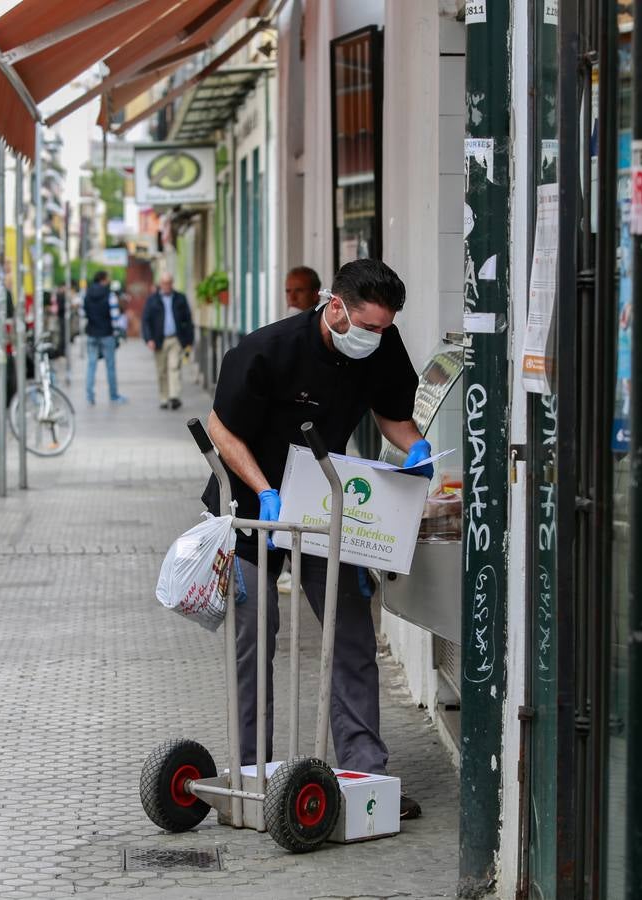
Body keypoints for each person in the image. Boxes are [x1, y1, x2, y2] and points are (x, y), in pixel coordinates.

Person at [203, 258, 432, 821]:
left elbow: (392, 416)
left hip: (326, 502)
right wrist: (263, 490)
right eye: (367, 327)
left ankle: (365, 779)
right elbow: (220, 428)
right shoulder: (265, 351)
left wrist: (417, 449)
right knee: (257, 636)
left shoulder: (382, 345)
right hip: (254, 509)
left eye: (384, 328)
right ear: (335, 308)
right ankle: (254, 778)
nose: (375, 338)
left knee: (351, 634)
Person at [142, 272, 195, 410]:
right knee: (161, 371)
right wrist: (149, 339)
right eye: (164, 283)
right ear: (160, 284)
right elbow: (146, 321)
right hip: (159, 340)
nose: (167, 286)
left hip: (176, 339)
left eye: (169, 283)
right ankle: (164, 398)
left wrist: (189, 340)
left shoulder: (180, 298)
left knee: (174, 366)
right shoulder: (152, 300)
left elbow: (188, 320)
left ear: (172, 283)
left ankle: (174, 396)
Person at [82, 271, 128, 406]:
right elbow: (115, 317)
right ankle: (113, 396)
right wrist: (117, 332)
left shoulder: (86, 294)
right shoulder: (110, 295)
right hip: (107, 334)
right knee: (110, 366)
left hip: (91, 333)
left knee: (91, 365)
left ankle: (90, 396)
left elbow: (82, 312)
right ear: (103, 279)